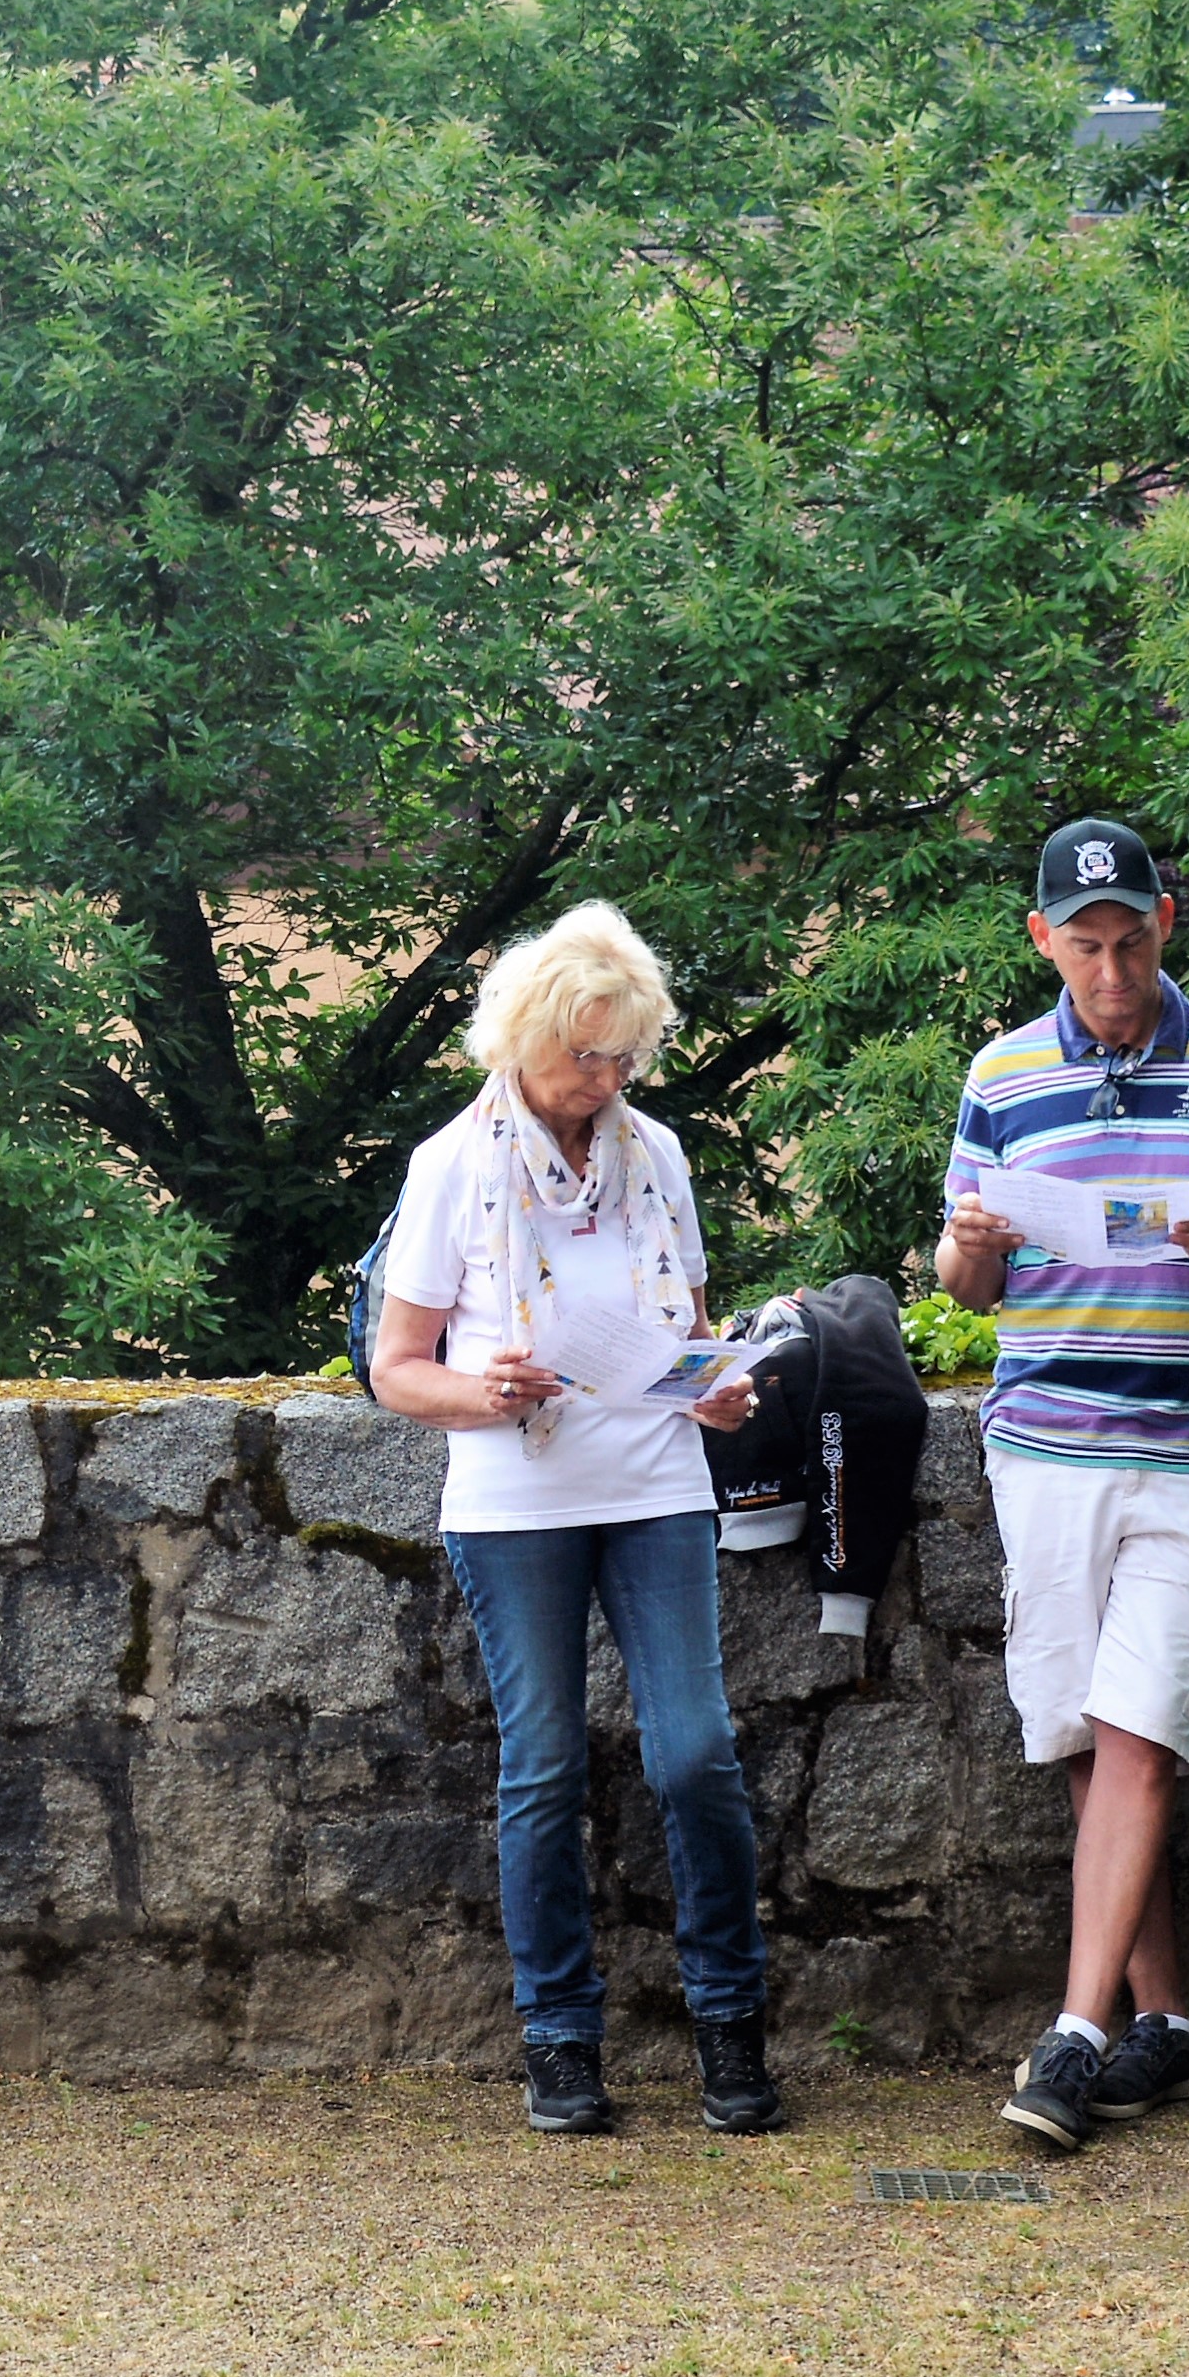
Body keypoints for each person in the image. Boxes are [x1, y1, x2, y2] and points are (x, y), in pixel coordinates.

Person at [937, 819, 1189, 2155]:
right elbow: (965, 1283)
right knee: (1087, 1735)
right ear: (1042, 939)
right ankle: (1162, 2021)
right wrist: (972, 1244)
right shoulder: (1002, 1073)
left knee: (1143, 1726)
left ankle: (1073, 2031)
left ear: (1166, 921)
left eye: (1132, 942)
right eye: (1086, 947)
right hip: (1045, 1446)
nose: (1112, 973)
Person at [365, 900, 779, 2140]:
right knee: (542, 1765)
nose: (604, 1079)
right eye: (584, 1054)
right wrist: (483, 1391)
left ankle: (731, 2019)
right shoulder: (452, 1164)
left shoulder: (658, 1155)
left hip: (655, 1483)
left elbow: (691, 1335)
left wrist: (718, 1392)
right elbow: (397, 1368)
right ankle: (558, 2035)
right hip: (517, 1499)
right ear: (524, 1036)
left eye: (623, 1056)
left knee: (695, 1754)